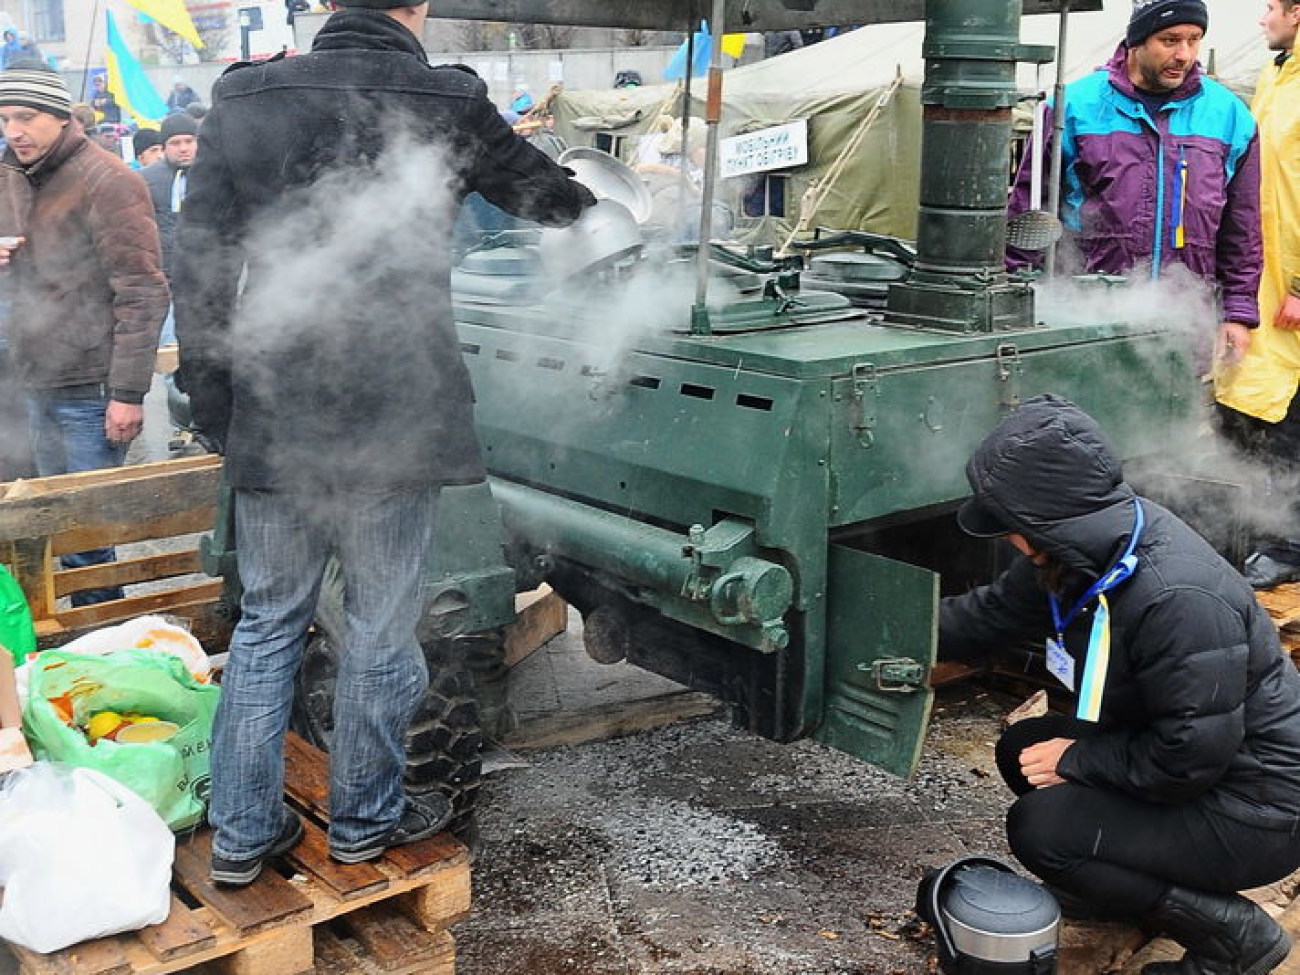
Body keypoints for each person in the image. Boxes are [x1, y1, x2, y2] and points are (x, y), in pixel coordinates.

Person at [173, 0, 594, 886]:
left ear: (330, 5)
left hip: (278, 401)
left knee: (266, 625)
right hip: (400, 405)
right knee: (378, 626)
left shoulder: (245, 96)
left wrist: (212, 395)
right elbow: (549, 201)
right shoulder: (448, 98)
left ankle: (244, 836)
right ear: (421, 8)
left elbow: (200, 261)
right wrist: (597, 194)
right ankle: (366, 822)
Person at [940, 394, 1300, 975]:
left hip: (1256, 809)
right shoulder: (1080, 553)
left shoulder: (1178, 598)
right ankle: (1117, 885)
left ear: (1048, 518)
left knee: (1042, 830)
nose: (1005, 538)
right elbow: (986, 616)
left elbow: (1191, 758)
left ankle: (1235, 939)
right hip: (1194, 763)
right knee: (1022, 749)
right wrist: (874, 640)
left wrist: (1080, 760)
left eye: (1011, 525)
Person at [1007, 0, 1262, 370]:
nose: (1184, 54)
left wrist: (1238, 312)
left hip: (1185, 317)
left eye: (1194, 40)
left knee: (1171, 423)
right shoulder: (1071, 107)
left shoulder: (1230, 116)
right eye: (1170, 40)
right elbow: (1029, 211)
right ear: (1136, 41)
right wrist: (1016, 297)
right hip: (1084, 315)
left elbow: (1243, 227)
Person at [0, 66, 168, 602]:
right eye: (4, 119)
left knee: (89, 536)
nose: (13, 131)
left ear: (60, 116)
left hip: (90, 385)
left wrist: (127, 394)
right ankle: (77, 655)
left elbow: (143, 290)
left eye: (25, 117)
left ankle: (106, 651)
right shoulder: (8, 174)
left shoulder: (109, 179)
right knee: (50, 526)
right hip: (30, 376)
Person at [1213, 0, 1300, 590]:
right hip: (1263, 278)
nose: (1261, 19)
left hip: (1292, 288)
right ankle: (1254, 529)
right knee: (1253, 412)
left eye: (1270, 6)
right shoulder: (1277, 74)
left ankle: (1289, 541)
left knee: (1292, 422)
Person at [141, 113, 197, 278]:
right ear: (163, 147)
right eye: (175, 143)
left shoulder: (215, 177)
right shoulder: (145, 180)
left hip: (206, 272)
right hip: (162, 272)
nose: (183, 148)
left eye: (189, 141)